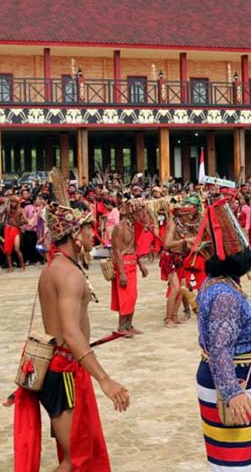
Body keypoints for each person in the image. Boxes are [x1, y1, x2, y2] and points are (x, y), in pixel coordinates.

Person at [13, 202, 129, 472]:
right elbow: (70, 332)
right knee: (77, 461)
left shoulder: (58, 267)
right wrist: (105, 379)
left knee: (77, 456)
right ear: (76, 234)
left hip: (64, 368)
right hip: (63, 371)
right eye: (89, 229)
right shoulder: (68, 275)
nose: (93, 235)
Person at [196, 197, 251, 471]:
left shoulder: (220, 285)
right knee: (235, 464)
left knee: (228, 461)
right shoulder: (224, 295)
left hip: (229, 380)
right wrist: (233, 392)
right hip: (229, 383)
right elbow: (220, 348)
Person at [110, 199, 149, 336]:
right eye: (140, 213)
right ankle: (121, 327)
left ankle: (129, 325)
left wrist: (141, 265)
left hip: (132, 263)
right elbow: (117, 252)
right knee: (125, 297)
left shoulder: (135, 227)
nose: (143, 216)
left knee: (132, 296)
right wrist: (121, 273)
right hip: (123, 265)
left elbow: (135, 248)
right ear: (133, 213)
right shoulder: (119, 228)